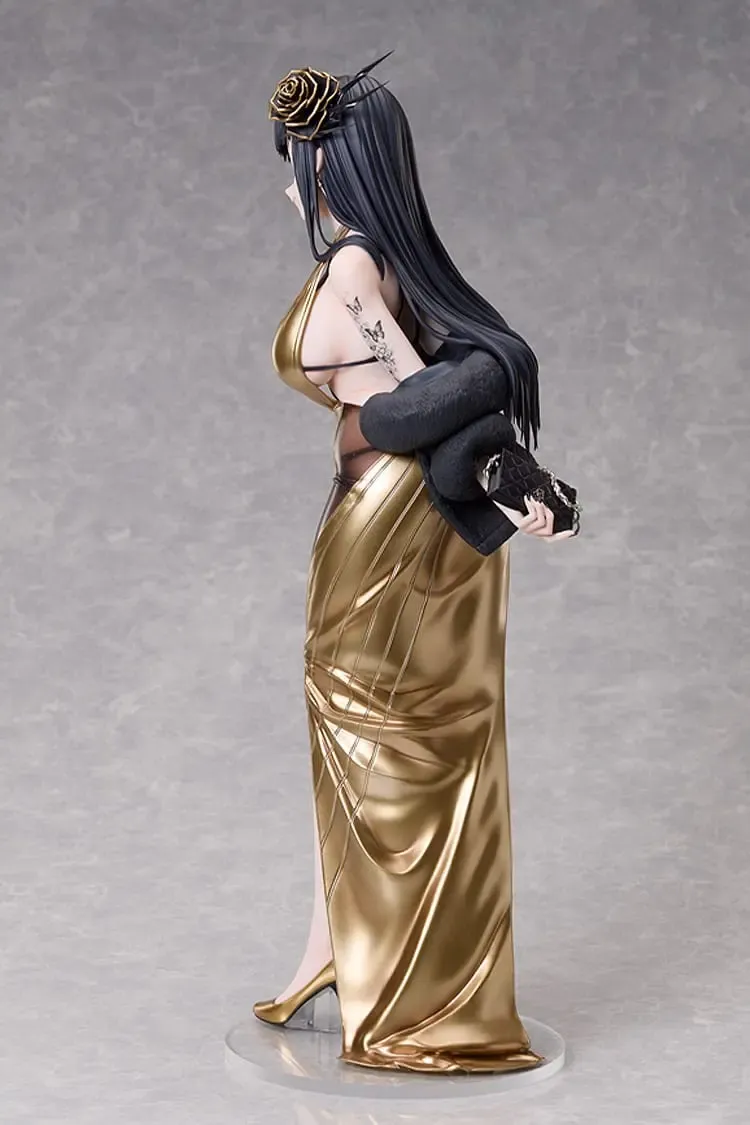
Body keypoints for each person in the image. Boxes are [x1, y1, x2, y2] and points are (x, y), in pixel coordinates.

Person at [253, 52, 574, 1074]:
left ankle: (407, 1004)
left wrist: (510, 476)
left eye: (295, 160)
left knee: (378, 744)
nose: (284, 182)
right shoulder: (377, 265)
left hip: (389, 524)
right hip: (382, 508)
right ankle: (326, 959)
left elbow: (418, 402)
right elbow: (424, 389)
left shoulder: (355, 270)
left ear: (329, 170)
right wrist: (502, 467)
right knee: (358, 741)